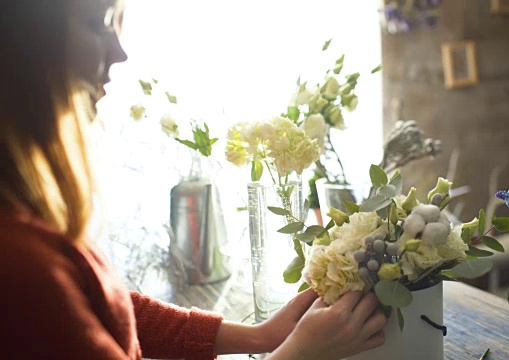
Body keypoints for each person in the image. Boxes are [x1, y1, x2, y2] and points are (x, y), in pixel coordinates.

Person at [0, 0, 387, 359]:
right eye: (97, 24)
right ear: (23, 39)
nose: (120, 52)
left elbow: (104, 308)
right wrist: (298, 354)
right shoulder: (20, 263)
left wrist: (263, 336)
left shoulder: (25, 228)